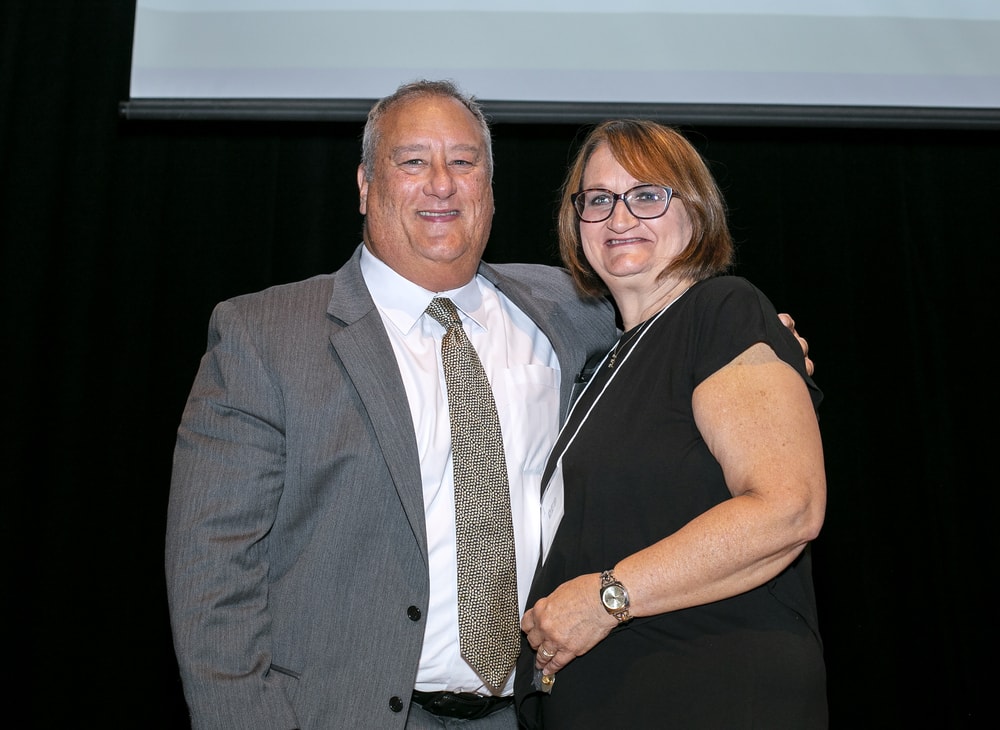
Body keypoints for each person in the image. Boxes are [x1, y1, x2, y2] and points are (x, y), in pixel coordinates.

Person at [165, 80, 812, 729]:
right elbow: (212, 574)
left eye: (464, 161)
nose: (441, 183)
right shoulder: (266, 335)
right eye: (412, 161)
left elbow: (679, 355)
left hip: (540, 710)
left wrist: (765, 348)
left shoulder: (573, 309)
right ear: (365, 185)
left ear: (491, 189)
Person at [516, 119, 828, 729]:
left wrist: (608, 597)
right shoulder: (605, 367)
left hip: (711, 691)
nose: (619, 217)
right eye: (598, 200)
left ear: (697, 211)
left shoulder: (722, 311)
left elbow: (789, 507)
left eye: (648, 195)